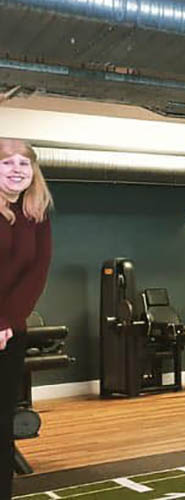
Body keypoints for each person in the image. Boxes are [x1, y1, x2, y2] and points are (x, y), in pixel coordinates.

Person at [0, 139, 53, 497]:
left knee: (2, 421)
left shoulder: (38, 214)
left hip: (9, 331)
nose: (17, 169)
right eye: (7, 162)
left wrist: (5, 320)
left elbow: (37, 273)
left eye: (24, 163)